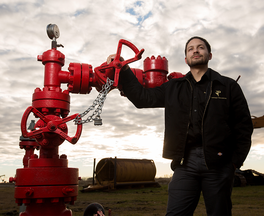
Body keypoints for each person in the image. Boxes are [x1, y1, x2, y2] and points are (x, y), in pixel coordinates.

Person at [107, 36, 253, 216]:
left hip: (219, 163)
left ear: (210, 55)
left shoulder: (227, 86)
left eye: (200, 47)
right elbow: (142, 98)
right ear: (186, 59)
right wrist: (125, 69)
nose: (195, 50)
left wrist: (233, 163)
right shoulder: (173, 87)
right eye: (190, 49)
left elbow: (244, 127)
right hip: (185, 162)